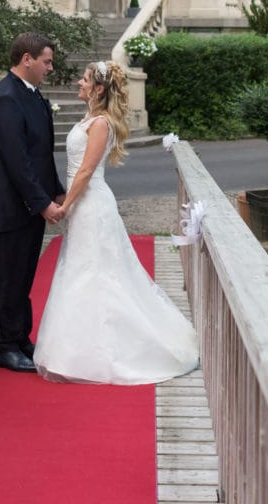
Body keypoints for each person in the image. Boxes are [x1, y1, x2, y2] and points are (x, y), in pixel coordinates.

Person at [34, 60, 199, 384]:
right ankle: (75, 351)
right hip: (83, 206)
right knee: (82, 270)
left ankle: (103, 352)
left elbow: (85, 171)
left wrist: (64, 206)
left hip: (91, 205)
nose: (78, 84)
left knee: (96, 273)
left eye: (84, 80)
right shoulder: (90, 118)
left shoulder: (101, 124)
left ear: (97, 89)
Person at [0, 32, 65, 373]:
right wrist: (44, 204)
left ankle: (20, 336)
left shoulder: (32, 96)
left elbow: (40, 154)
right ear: (26, 59)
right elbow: (17, 161)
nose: (50, 67)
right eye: (46, 61)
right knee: (9, 276)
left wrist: (55, 190)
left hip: (28, 206)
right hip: (10, 206)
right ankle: (5, 346)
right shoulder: (6, 99)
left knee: (25, 274)